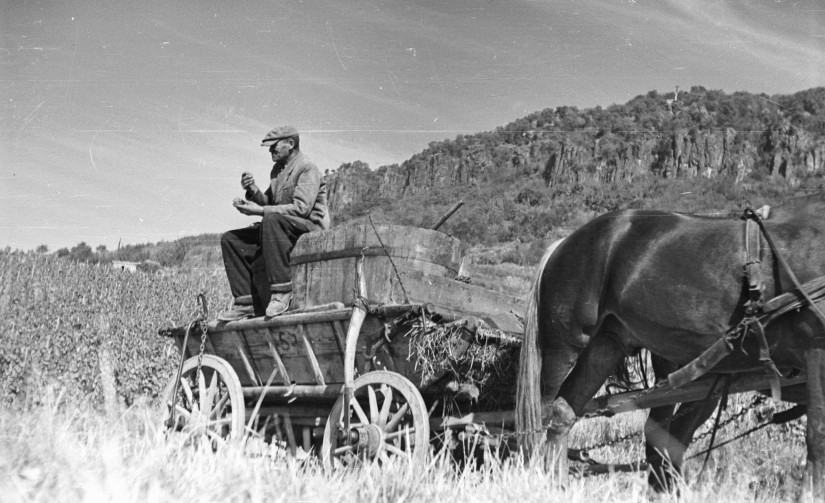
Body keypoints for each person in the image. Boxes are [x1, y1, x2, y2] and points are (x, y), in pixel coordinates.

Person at [218, 126, 330, 321]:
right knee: (231, 240)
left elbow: (301, 209)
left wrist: (261, 211)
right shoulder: (278, 171)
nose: (270, 151)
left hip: (308, 227)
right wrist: (252, 191)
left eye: (274, 146)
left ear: (291, 144)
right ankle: (245, 303)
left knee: (270, 218)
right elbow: (270, 203)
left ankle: (281, 293)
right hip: (281, 224)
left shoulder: (307, 168)